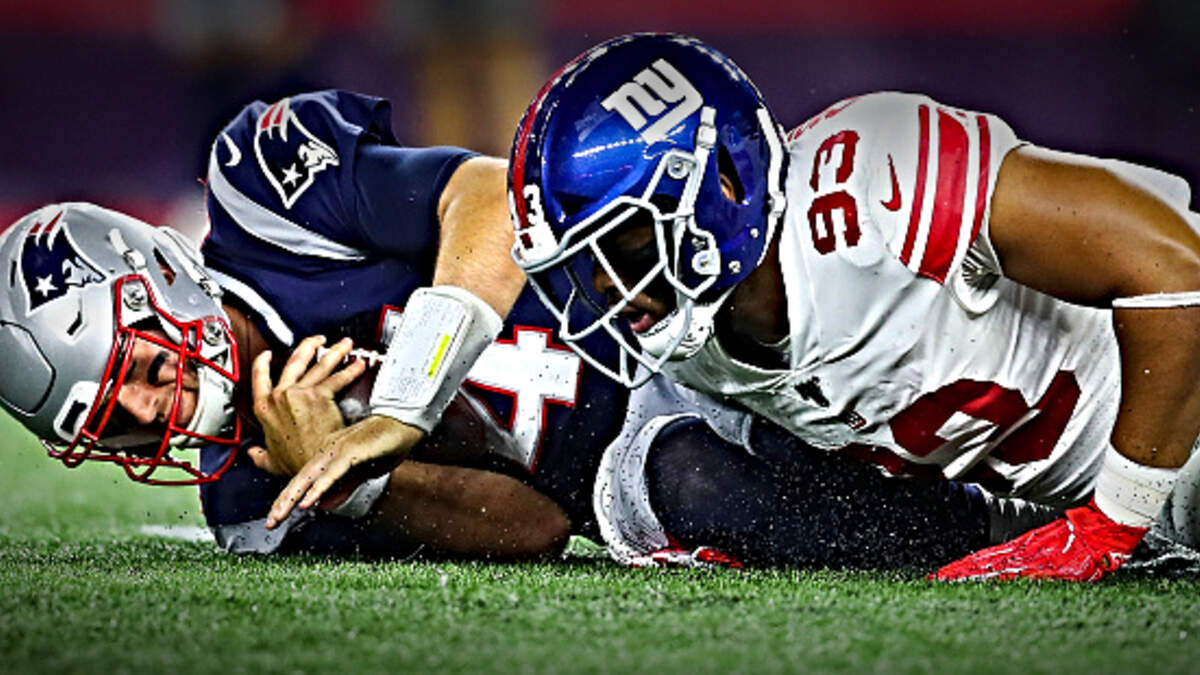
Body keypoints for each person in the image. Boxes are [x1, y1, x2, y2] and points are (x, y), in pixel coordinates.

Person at [0, 90, 1047, 567]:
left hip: (647, 291)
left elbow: (491, 198)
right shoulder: (246, 499)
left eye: (139, 366)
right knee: (695, 484)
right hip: (618, 461)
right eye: (115, 421)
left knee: (866, 317)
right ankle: (1004, 537)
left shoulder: (268, 200)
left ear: (158, 277)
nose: (154, 409)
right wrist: (353, 482)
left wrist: (404, 400)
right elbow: (534, 527)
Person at [506, 33, 1200, 581]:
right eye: (583, 264)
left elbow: (1177, 274)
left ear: (722, 188)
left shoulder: (873, 181)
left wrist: (1113, 520)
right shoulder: (698, 344)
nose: (606, 288)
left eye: (622, 247)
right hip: (1099, 501)